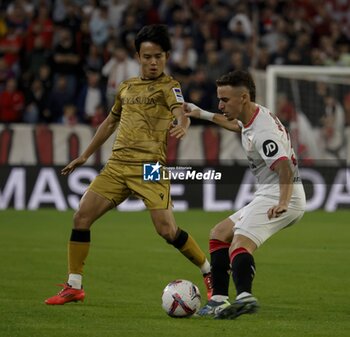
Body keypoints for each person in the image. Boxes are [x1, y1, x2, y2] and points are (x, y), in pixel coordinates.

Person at [45, 24, 212, 305]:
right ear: (138, 56)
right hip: (117, 165)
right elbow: (110, 122)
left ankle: (209, 271)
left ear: (167, 56)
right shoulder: (126, 87)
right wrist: (85, 155)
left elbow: (179, 111)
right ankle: (74, 285)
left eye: (158, 56)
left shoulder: (169, 86)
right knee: (81, 218)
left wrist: (182, 124)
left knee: (167, 231)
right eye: (147, 56)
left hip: (150, 168)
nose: (153, 62)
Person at [183, 70, 306, 319]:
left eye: (225, 100)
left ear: (243, 98)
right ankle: (218, 299)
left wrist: (282, 202)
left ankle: (245, 297)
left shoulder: (264, 132)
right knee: (219, 234)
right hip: (269, 194)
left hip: (283, 196)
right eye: (220, 99)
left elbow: (284, 166)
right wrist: (202, 113)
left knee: (240, 243)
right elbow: (235, 124)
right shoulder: (251, 114)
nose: (220, 104)